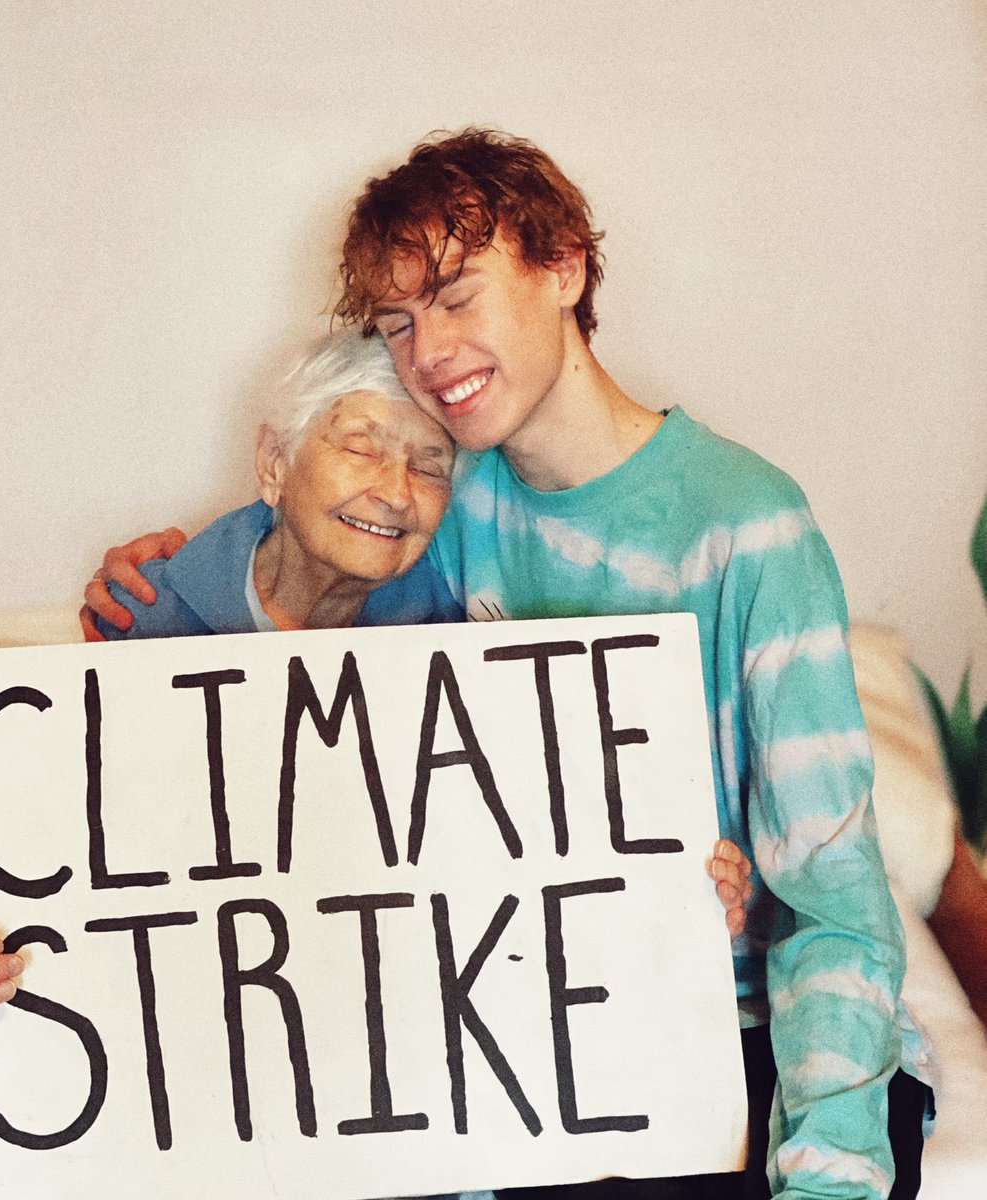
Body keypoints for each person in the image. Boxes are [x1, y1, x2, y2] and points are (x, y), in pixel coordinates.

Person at [74, 129, 932, 1200]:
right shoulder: (439, 500)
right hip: (514, 1043)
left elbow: (836, 905)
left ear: (564, 268)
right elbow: (293, 657)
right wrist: (161, 591)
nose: (428, 351)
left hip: (733, 1033)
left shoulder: (747, 527)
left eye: (456, 296)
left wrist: (827, 1172)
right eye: (398, 322)